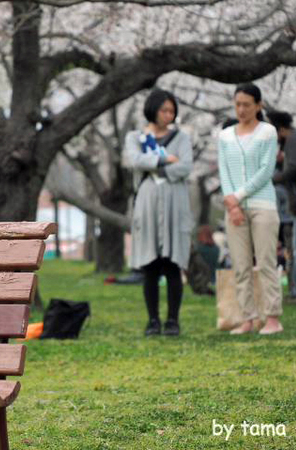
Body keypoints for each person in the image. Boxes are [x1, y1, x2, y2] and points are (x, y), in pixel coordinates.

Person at [125, 89, 193, 336]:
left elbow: (186, 165)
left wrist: (155, 165)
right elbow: (134, 160)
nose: (169, 115)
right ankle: (152, 320)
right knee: (150, 264)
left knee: (173, 263)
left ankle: (172, 320)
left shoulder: (181, 138)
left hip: (175, 202)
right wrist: (165, 160)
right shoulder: (136, 136)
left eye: (172, 111)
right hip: (148, 202)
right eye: (164, 110)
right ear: (153, 109)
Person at [217, 83, 283, 335]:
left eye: (246, 104)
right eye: (237, 104)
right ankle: (248, 318)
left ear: (258, 105)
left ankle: (273, 318)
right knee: (240, 265)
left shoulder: (267, 132)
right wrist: (231, 203)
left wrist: (238, 196)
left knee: (266, 262)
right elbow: (223, 171)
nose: (241, 109)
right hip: (234, 209)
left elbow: (266, 170)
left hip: (263, 206)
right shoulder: (225, 136)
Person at [268, 110, 296, 299]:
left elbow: (294, 168)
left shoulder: (293, 140)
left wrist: (273, 179)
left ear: (279, 129)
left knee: (295, 248)